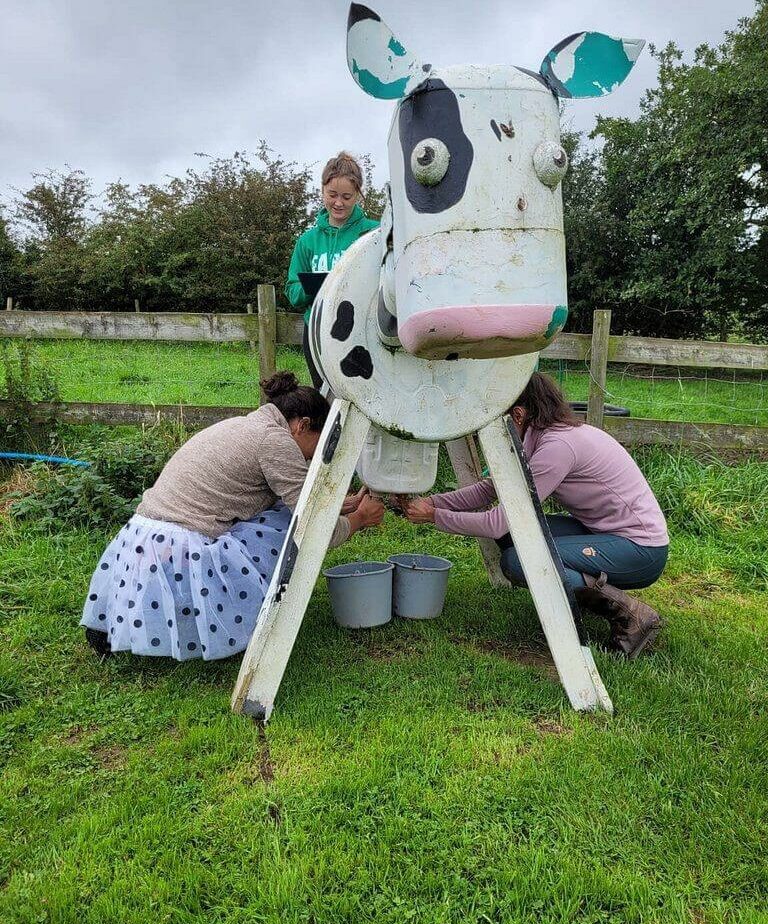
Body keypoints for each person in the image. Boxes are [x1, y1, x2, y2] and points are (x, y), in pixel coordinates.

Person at [81, 372, 384, 661]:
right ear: (302, 426)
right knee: (281, 526)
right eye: (317, 444)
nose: (313, 456)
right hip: (184, 541)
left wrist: (341, 504)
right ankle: (240, 620)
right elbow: (313, 528)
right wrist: (360, 520)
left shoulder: (245, 425)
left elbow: (302, 495)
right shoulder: (275, 442)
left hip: (144, 532)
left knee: (279, 513)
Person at [402, 373, 669, 658]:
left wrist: (433, 517)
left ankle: (632, 615)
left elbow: (496, 523)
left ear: (517, 414)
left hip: (641, 550)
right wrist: (431, 502)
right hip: (605, 535)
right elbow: (487, 491)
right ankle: (580, 595)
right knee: (513, 538)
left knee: (519, 561)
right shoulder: (543, 437)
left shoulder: (557, 448)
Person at [285, 151, 379, 388]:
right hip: (317, 333)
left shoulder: (374, 234)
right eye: (332, 194)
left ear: (358, 194)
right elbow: (293, 292)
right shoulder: (307, 241)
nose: (338, 202)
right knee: (324, 395)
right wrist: (315, 287)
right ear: (322, 190)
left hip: (363, 332)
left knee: (363, 393)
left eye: (347, 196)